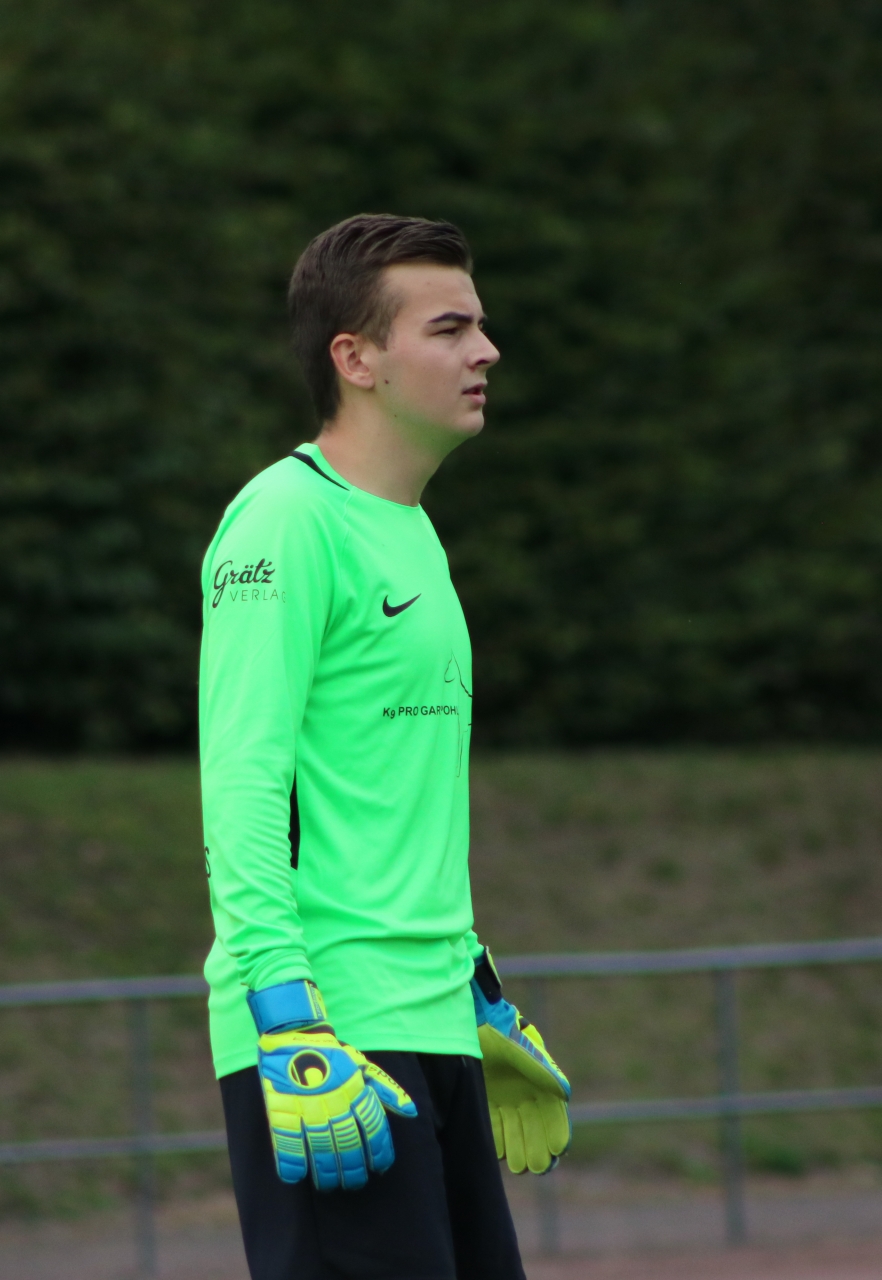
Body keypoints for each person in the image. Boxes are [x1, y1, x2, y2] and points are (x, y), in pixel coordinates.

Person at [199, 213, 572, 1280]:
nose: (486, 351)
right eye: (449, 329)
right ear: (355, 360)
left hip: (433, 1025)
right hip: (327, 1037)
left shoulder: (412, 532)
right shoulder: (283, 520)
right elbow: (244, 782)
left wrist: (474, 987)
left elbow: (389, 804)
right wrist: (285, 1014)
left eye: (479, 325)